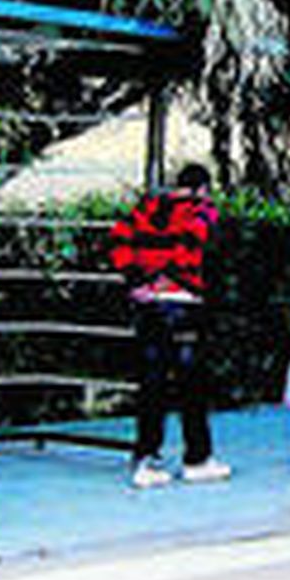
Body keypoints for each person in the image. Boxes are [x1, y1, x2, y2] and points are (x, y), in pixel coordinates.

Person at [109, 164, 231, 488]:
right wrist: (171, 279)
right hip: (184, 303)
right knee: (192, 385)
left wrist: (139, 281)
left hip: (148, 305)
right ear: (203, 188)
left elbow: (119, 239)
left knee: (152, 384)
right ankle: (197, 458)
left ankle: (147, 459)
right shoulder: (201, 210)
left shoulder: (146, 207)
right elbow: (195, 244)